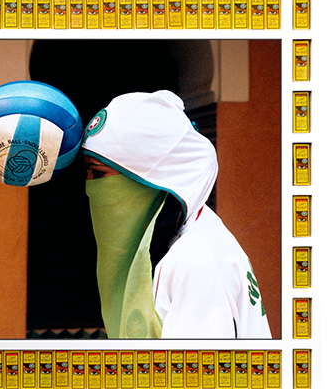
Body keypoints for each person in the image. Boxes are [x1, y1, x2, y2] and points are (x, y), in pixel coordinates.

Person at [81, 90, 271, 339]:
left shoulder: (194, 260)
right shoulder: (188, 237)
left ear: (145, 180)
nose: (89, 186)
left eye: (98, 173)